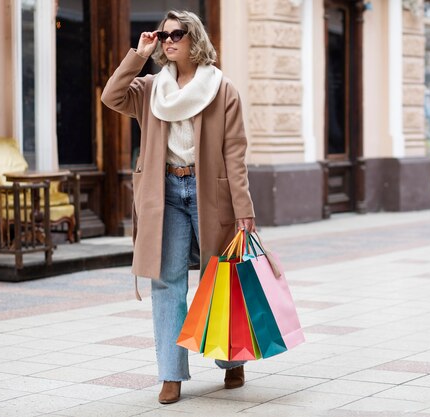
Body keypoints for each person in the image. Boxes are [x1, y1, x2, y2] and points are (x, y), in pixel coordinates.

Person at [101, 10, 256, 405]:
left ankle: (229, 359)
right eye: (163, 34)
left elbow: (235, 154)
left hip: (210, 192)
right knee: (167, 281)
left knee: (218, 278)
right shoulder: (152, 88)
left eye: (177, 33)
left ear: (195, 38)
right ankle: (171, 374)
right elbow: (111, 95)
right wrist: (138, 54)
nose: (168, 40)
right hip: (165, 190)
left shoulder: (222, 90)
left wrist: (244, 207)